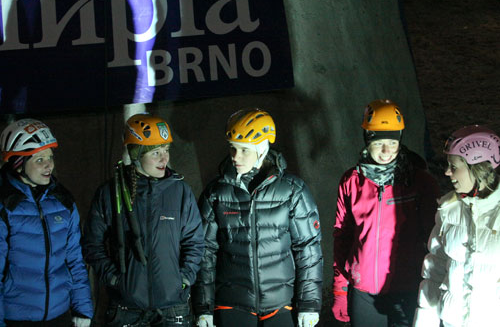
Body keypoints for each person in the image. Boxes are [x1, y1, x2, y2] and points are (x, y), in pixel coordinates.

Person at [192, 108, 323, 327]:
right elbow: (205, 251)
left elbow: (308, 248)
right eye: (233, 149)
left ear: (262, 150)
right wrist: (203, 307)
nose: (235, 157)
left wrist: (309, 303)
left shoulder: (292, 190)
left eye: (244, 150)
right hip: (232, 303)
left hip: (281, 303)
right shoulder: (216, 193)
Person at [82, 113, 204, 326]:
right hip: (126, 309)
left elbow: (195, 242)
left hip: (172, 307)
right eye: (155, 152)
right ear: (136, 154)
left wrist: (183, 280)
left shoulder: (180, 191)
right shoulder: (110, 193)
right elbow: (92, 244)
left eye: (165, 150)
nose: (164, 159)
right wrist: (114, 280)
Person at [332, 99, 439, 327]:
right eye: (379, 143)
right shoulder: (352, 182)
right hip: (364, 291)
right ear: (367, 141)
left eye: (392, 143)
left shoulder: (419, 182)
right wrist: (340, 289)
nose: (386, 151)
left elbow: (435, 237)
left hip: (408, 288)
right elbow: (342, 236)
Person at [0, 119, 93, 326]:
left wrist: (82, 309)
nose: (49, 165)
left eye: (50, 157)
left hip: (59, 315)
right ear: (19, 164)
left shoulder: (63, 201)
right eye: (39, 159)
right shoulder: (5, 206)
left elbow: (75, 261)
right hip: (16, 318)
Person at [413, 125, 500, 327]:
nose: (447, 172)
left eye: (454, 166)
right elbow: (433, 274)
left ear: (478, 168)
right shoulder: (449, 210)